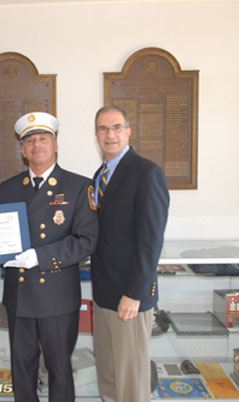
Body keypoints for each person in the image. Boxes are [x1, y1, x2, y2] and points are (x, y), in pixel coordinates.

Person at [0, 112, 98, 402]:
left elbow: (86, 241)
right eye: (29, 141)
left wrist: (39, 257)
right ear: (22, 149)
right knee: (22, 369)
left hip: (57, 296)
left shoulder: (79, 186)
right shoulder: (8, 188)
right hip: (19, 295)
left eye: (43, 139)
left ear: (55, 145)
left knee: (59, 369)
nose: (36, 145)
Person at [91, 105, 170, 402]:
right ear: (96, 134)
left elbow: (151, 241)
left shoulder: (147, 173)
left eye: (116, 127)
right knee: (109, 378)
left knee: (131, 385)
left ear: (128, 132)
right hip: (104, 295)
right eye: (103, 128)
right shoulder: (100, 175)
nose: (109, 134)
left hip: (129, 299)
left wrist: (135, 294)